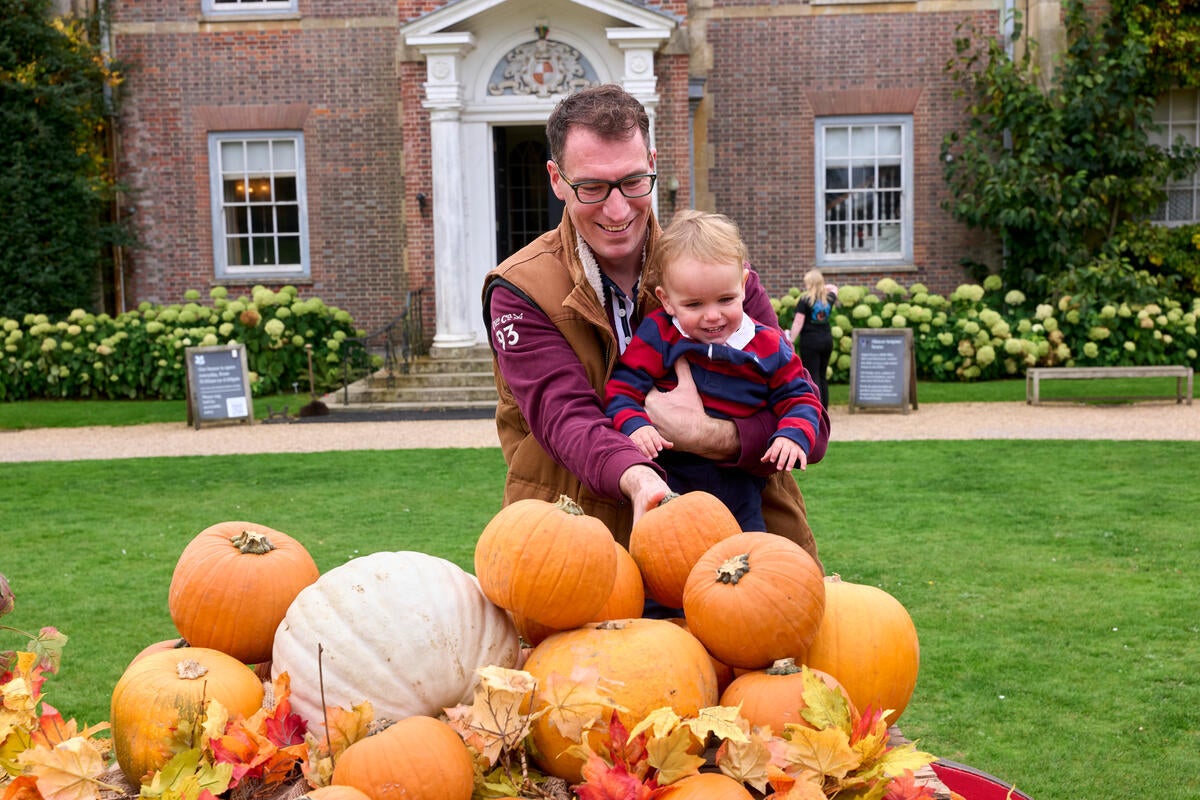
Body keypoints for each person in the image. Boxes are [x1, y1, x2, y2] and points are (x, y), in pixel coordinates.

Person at [481, 83, 830, 560]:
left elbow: (803, 411)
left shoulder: (719, 278)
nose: (618, 208)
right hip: (584, 550)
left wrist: (703, 433)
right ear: (557, 180)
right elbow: (565, 417)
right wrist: (640, 475)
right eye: (592, 187)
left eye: (633, 181)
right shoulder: (521, 290)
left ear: (653, 162)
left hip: (741, 540)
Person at [604, 211, 824, 531]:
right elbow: (622, 388)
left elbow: (800, 396)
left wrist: (792, 434)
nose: (712, 316)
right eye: (694, 305)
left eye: (726, 299)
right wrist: (636, 425)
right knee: (673, 561)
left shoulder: (767, 345)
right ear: (667, 300)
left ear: (744, 287)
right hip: (672, 477)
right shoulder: (659, 334)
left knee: (746, 556)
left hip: (739, 485)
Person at [788, 269, 839, 409]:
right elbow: (834, 288)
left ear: (809, 283)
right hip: (827, 340)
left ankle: (817, 409)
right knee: (822, 376)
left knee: (813, 375)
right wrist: (822, 287)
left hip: (810, 342)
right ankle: (825, 409)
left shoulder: (804, 300)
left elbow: (798, 323)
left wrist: (791, 339)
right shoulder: (829, 298)